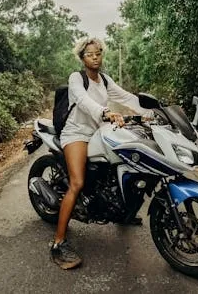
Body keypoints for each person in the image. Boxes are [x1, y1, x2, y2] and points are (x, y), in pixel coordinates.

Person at [51, 37, 149, 270]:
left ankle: (122, 211)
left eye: (98, 53)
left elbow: (126, 97)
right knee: (76, 182)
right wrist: (106, 113)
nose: (95, 57)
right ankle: (58, 243)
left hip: (98, 132)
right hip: (77, 133)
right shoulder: (77, 78)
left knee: (123, 161)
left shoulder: (104, 80)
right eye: (90, 54)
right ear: (82, 58)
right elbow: (84, 102)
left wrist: (151, 111)